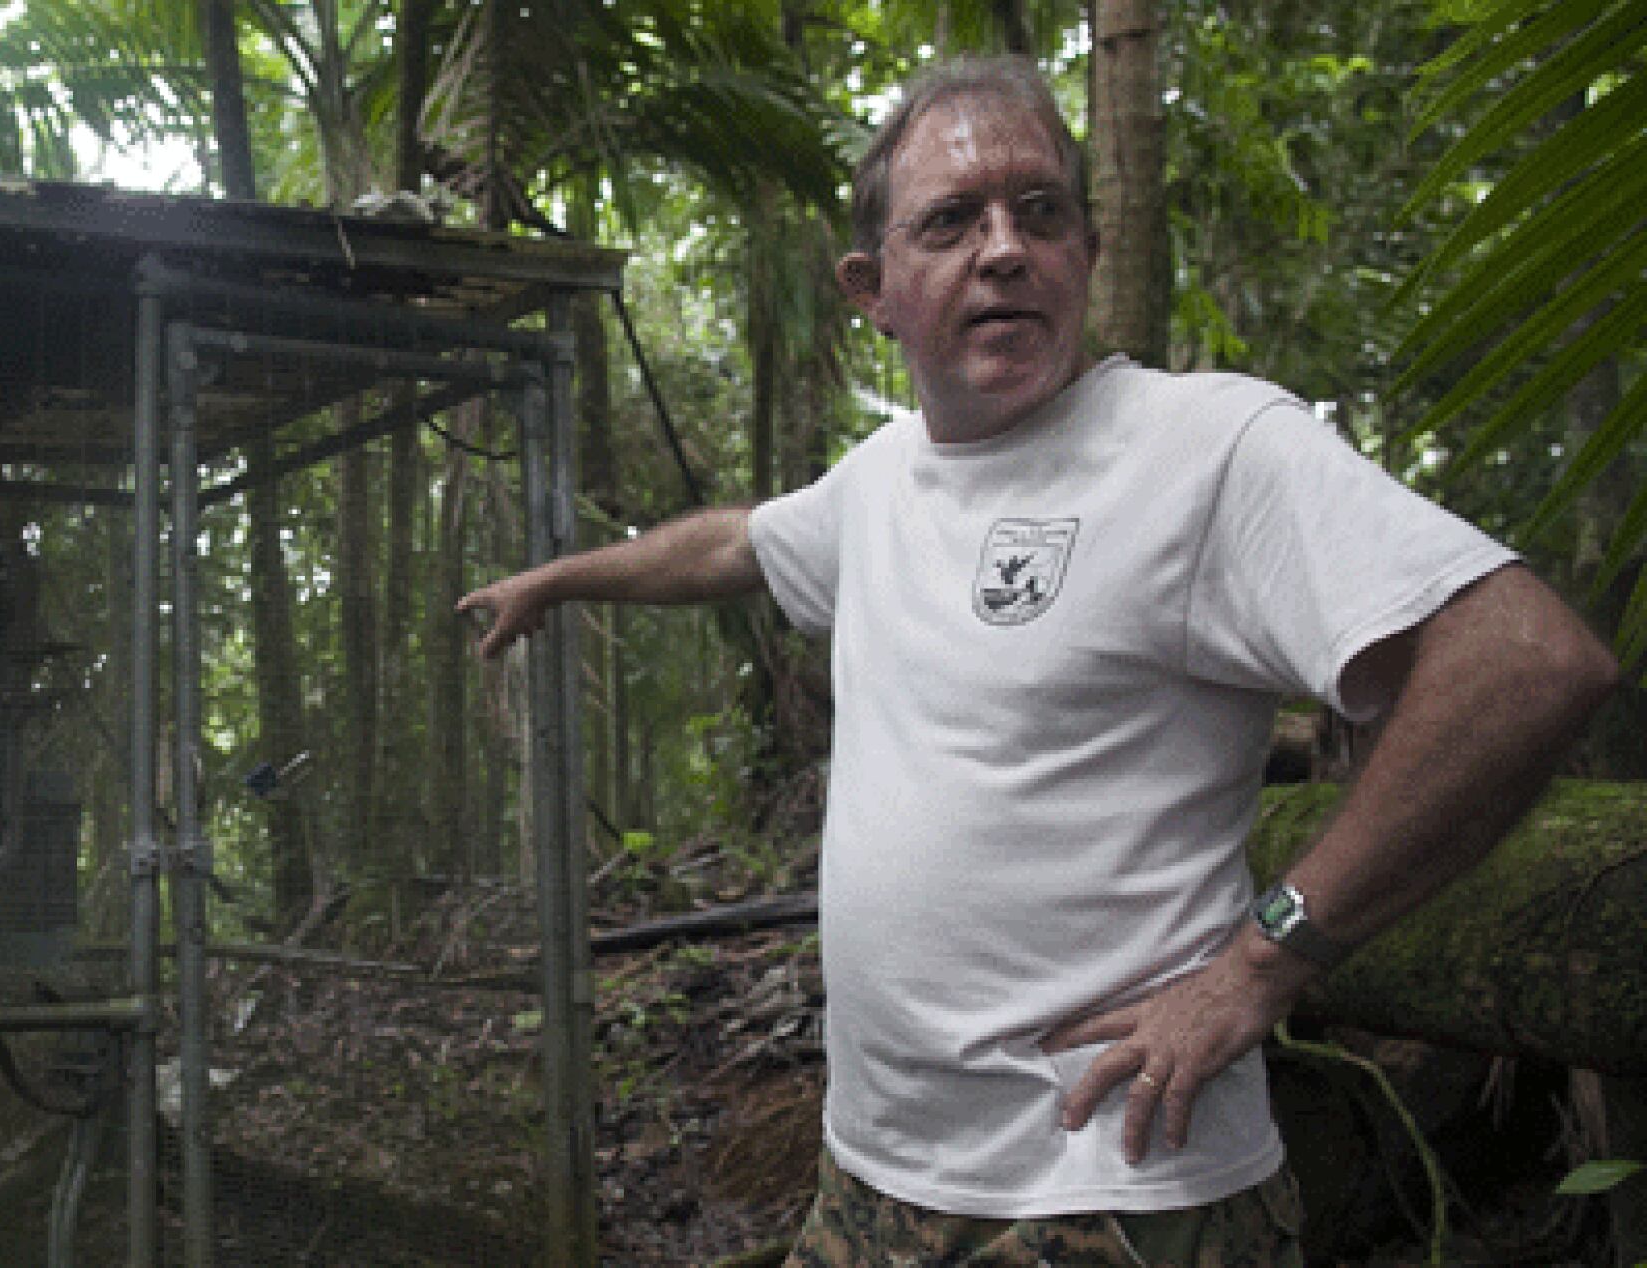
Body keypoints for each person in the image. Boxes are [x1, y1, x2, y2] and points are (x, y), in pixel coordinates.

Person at [457, 56, 1618, 1265]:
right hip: (875, 1173)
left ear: (1087, 249)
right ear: (875, 287)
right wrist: (561, 577)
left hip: (1111, 1187)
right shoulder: (881, 476)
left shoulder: (1204, 444)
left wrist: (1265, 959)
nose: (1002, 248)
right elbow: (733, 544)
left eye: (1039, 211)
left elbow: (1527, 658)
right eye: (951, 220)